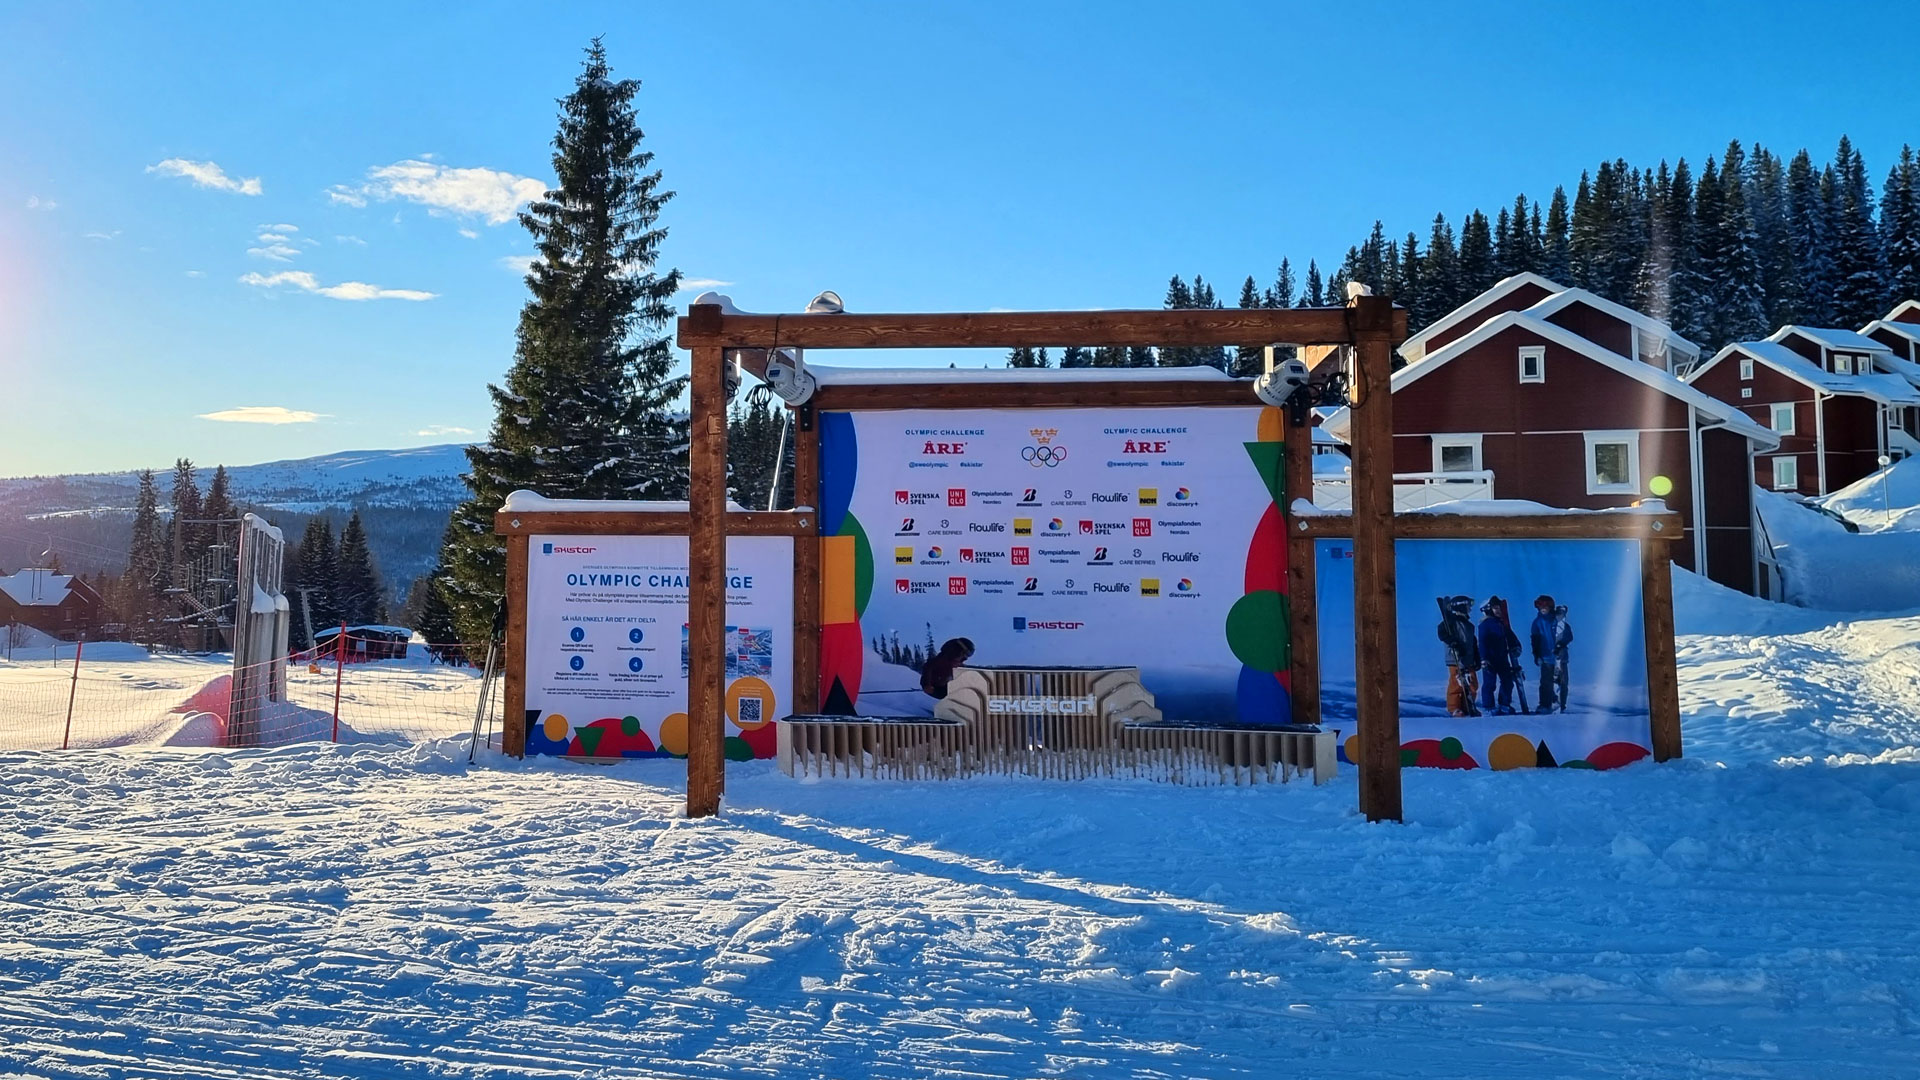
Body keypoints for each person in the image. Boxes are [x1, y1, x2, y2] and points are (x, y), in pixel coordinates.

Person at [1476, 596, 1522, 715]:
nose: (1498, 610)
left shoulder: (1501, 623)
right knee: (1489, 683)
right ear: (1488, 609)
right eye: (1495, 608)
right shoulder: (1485, 624)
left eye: (1499, 608)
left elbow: (1510, 636)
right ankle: (1488, 706)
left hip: (1502, 658)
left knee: (1507, 681)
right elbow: (1482, 642)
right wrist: (1484, 658)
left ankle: (1504, 704)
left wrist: (1516, 646)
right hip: (1490, 659)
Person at [1436, 595, 1481, 717]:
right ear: (1461, 607)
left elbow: (1473, 642)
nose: (1470, 609)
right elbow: (1442, 632)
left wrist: (1477, 658)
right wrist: (1452, 642)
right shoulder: (1450, 621)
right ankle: (1454, 708)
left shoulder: (1469, 625)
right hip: (1455, 658)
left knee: (1472, 684)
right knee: (1456, 683)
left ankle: (1468, 705)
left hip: (1468, 659)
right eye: (1468, 606)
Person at [1529, 595, 1560, 712]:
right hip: (1545, 657)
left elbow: (1564, 634)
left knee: (1558, 682)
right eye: (1540, 606)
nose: (1543, 608)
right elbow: (1535, 640)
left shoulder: (1556, 620)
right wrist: (1536, 655)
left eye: (1545, 606)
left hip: (1557, 657)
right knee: (1546, 681)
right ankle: (1544, 704)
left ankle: (1557, 701)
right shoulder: (1537, 623)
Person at [1551, 604, 1574, 712]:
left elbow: (1569, 637)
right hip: (1553, 659)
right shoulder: (1551, 625)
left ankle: (1562, 704)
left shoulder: (1565, 626)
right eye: (1559, 613)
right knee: (1554, 682)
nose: (1561, 615)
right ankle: (1554, 702)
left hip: (1562, 658)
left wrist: (1561, 644)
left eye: (1563, 613)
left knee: (1563, 682)